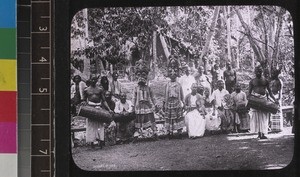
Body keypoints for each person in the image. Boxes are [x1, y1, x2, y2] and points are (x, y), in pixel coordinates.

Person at [82, 74, 114, 148]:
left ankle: (100, 141)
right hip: (90, 108)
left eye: (95, 79)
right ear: (90, 80)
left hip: (98, 107)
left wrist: (109, 109)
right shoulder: (86, 90)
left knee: (100, 125)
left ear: (97, 80)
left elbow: (104, 100)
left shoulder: (100, 89)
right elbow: (84, 100)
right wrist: (84, 104)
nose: (93, 81)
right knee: (91, 125)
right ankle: (92, 142)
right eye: (92, 79)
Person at [248, 66, 279, 139]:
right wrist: (249, 100)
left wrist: (275, 100)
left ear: (262, 72)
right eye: (257, 71)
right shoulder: (252, 81)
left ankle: (263, 133)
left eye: (260, 71)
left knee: (264, 117)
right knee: (257, 117)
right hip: (255, 100)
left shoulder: (265, 81)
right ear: (255, 72)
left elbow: (270, 92)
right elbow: (249, 93)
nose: (258, 72)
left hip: (264, 99)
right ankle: (259, 134)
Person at [132, 60, 157, 140]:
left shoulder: (148, 88)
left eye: (143, 75)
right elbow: (134, 98)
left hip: (147, 106)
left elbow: (153, 97)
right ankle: (137, 134)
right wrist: (132, 107)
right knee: (138, 119)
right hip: (138, 106)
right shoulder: (136, 88)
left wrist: (155, 104)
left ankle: (153, 133)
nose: (141, 77)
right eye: (139, 75)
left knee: (150, 118)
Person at [164, 58, 185, 139]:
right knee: (170, 117)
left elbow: (181, 94)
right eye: (171, 74)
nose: (173, 75)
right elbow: (165, 95)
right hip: (169, 102)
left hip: (177, 102)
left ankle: (179, 132)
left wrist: (183, 102)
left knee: (178, 117)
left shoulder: (178, 84)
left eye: (174, 74)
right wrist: (165, 103)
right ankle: (170, 132)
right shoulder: (167, 84)